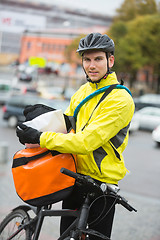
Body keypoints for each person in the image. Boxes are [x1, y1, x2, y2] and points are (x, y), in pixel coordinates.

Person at [16, 32, 135, 239]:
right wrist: (42, 119)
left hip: (101, 186)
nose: (91, 65)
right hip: (73, 177)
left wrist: (40, 137)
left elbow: (85, 141)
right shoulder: (82, 92)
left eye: (98, 59)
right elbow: (69, 127)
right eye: (87, 59)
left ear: (110, 60)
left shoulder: (120, 99)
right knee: (66, 235)